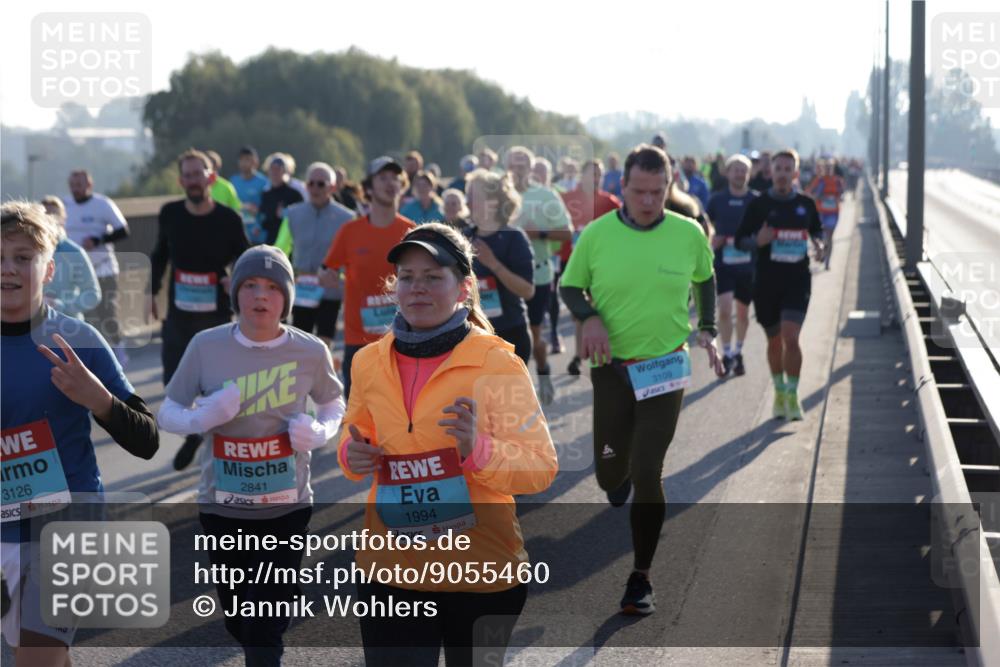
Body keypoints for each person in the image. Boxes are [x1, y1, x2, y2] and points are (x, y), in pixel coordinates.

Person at [339, 222, 557, 666]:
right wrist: (351, 453)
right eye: (407, 277)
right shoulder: (368, 361)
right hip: (390, 570)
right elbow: (354, 432)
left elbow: (540, 466)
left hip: (480, 572)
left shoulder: (497, 363)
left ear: (464, 288)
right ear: (394, 287)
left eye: (433, 277)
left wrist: (478, 450)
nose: (417, 288)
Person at [157, 245, 343, 667]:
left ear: (287, 298)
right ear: (236, 293)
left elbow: (333, 403)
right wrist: (202, 417)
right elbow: (168, 410)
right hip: (223, 509)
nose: (261, 296)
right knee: (240, 619)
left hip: (287, 507)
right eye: (251, 286)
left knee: (262, 628)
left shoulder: (309, 350)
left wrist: (319, 431)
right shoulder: (206, 346)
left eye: (274, 288)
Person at [559, 145, 723, 615]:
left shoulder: (688, 232)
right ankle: (618, 472)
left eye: (657, 191)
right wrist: (588, 316)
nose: (648, 201)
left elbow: (705, 279)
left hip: (664, 369)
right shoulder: (597, 234)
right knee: (611, 472)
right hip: (611, 368)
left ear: (669, 187)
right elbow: (569, 285)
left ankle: (641, 577)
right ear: (622, 188)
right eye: (638, 191)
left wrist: (708, 328)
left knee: (650, 470)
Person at [2, 201, 158, 666]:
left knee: (36, 659)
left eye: (24, 258)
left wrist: (99, 400)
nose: (8, 269)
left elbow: (147, 439)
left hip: (67, 524)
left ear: (49, 270)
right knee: (34, 653)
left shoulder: (77, 339)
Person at [150, 148, 250, 470]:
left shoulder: (228, 219)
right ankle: (193, 433)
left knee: (213, 386)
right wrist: (151, 292)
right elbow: (160, 254)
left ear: (212, 177)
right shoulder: (170, 214)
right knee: (173, 384)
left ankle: (211, 443)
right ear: (181, 180)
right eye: (188, 175)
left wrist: (235, 280)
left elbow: (245, 259)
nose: (194, 180)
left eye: (199, 173)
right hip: (178, 314)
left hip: (215, 316)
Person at [735, 148, 825, 421]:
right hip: (766, 282)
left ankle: (792, 394)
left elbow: (817, 231)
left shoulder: (806, 204)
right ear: (770, 172)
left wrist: (820, 245)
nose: (783, 174)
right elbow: (740, 240)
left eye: (788, 169)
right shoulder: (759, 205)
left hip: (797, 280)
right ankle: (778, 391)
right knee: (774, 341)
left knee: (791, 337)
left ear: (796, 173)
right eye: (779, 169)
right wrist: (758, 241)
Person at [320, 156, 416, 399]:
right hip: (359, 342)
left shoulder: (411, 232)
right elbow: (326, 270)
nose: (390, 183)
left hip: (403, 338)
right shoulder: (350, 232)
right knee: (360, 424)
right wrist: (331, 279)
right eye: (382, 178)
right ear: (369, 188)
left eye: (395, 178)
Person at [506, 147, 572, 404]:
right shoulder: (497, 195)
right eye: (514, 163)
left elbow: (566, 233)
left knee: (535, 333)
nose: (518, 168)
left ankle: (543, 373)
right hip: (503, 277)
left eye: (523, 164)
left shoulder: (545, 195)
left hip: (538, 274)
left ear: (531, 168)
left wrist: (539, 234)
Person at [274, 162, 355, 348]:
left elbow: (352, 256)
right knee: (300, 342)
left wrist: (343, 280)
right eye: (311, 183)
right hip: (302, 289)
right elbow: (280, 248)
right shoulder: (293, 213)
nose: (315, 188)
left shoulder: (347, 218)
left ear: (332, 187)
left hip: (330, 290)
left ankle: (322, 377)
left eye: (321, 184)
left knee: (324, 343)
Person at [462, 169, 535, 364]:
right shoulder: (462, 237)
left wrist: (493, 263)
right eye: (467, 195)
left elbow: (527, 291)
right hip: (472, 336)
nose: (467, 201)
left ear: (493, 203)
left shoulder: (514, 238)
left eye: (473, 196)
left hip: (510, 333)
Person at [559, 159, 621, 375]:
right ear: (582, 175)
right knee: (579, 309)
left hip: (601, 263)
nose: (596, 178)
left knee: (598, 306)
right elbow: (557, 227)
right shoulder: (566, 199)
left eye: (599, 174)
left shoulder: (610, 202)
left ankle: (591, 352)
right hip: (571, 260)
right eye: (592, 174)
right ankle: (579, 354)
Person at [62, 169, 130, 364]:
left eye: (80, 185)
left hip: (104, 268)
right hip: (76, 271)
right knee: (85, 315)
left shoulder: (102, 204)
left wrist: (99, 239)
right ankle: (91, 357)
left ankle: (119, 352)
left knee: (107, 313)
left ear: (89, 185)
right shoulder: (64, 205)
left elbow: (123, 230)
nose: (76, 189)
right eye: (73, 185)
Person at [706, 155, 758, 376]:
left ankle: (738, 352)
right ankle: (727, 354)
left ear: (749, 174)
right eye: (735, 170)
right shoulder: (717, 200)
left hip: (747, 265)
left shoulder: (756, 200)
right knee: (725, 310)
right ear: (727, 173)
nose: (739, 174)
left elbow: (764, 231)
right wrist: (713, 239)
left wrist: (753, 241)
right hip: (724, 264)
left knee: (743, 314)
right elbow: (705, 227)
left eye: (743, 170)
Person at [40, 195, 101, 320]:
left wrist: (60, 306)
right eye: (45, 215)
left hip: (68, 325)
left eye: (54, 216)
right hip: (34, 325)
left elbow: (93, 294)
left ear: (63, 220)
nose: (49, 220)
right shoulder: (29, 251)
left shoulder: (75, 252)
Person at [806, 160, 845, 270]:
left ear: (833, 168)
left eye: (830, 167)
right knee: (821, 236)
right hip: (820, 212)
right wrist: (819, 197)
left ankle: (828, 261)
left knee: (829, 237)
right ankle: (822, 253)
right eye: (826, 167)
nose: (828, 169)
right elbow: (808, 193)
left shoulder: (838, 181)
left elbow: (842, 194)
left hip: (833, 212)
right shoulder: (819, 180)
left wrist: (836, 197)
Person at [260, 154, 304, 246]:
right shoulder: (266, 194)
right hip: (271, 242)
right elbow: (264, 222)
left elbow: (302, 217)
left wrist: (286, 214)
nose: (275, 172)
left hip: (290, 244)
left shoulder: (294, 194)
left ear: (285, 171)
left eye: (278, 169)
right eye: (272, 169)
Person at [230, 146, 270, 244]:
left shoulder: (264, 182)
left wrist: (257, 210)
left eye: (248, 159)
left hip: (258, 235)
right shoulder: (233, 181)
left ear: (255, 162)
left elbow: (269, 208)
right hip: (238, 234)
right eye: (242, 160)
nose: (244, 163)